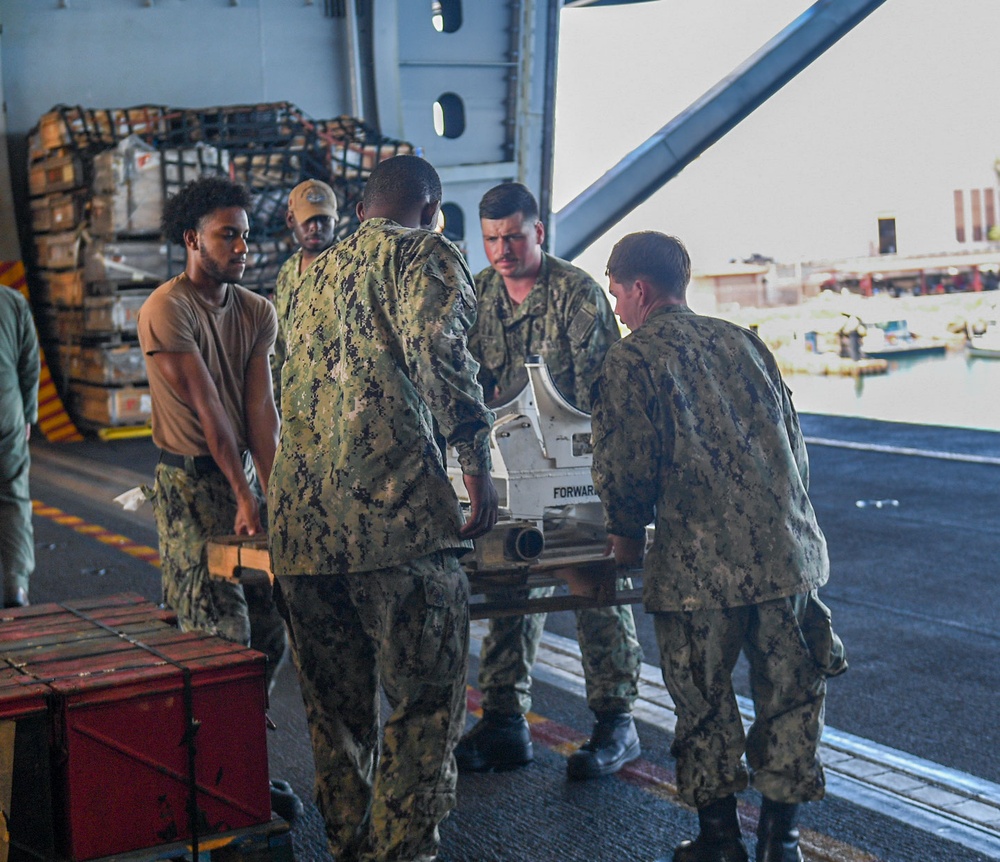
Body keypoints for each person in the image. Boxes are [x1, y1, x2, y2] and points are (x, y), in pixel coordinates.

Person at [268, 154, 499, 862]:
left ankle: (349, 847)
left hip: (303, 535)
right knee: (424, 706)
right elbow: (438, 347)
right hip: (395, 526)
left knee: (335, 715)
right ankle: (404, 854)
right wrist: (474, 457)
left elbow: (278, 383)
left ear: (362, 207)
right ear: (429, 209)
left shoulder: (305, 275)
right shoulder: (422, 254)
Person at [589, 231, 846, 862]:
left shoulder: (632, 359)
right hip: (786, 558)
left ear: (639, 289)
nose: (618, 307)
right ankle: (781, 845)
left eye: (617, 293)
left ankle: (721, 842)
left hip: (699, 571)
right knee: (791, 701)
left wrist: (623, 535)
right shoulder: (746, 342)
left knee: (704, 705)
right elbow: (794, 447)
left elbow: (627, 467)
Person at [457, 181, 643, 780]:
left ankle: (616, 723)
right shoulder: (477, 293)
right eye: (491, 239)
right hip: (509, 472)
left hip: (576, 471)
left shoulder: (578, 295)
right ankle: (506, 721)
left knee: (594, 586)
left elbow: (602, 400)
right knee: (508, 584)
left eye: (513, 236)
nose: (502, 250)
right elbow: (463, 379)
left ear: (538, 231)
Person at [136, 175, 301, 823]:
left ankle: (239, 771)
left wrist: (272, 493)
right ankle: (217, 787)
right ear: (191, 239)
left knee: (266, 631)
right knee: (218, 644)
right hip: (192, 491)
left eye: (246, 235)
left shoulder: (258, 311)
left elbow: (261, 412)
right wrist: (242, 496)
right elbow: (209, 410)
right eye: (226, 234)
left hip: (245, 488)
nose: (241, 247)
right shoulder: (166, 309)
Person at [270, 178, 339, 402]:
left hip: (339, 403)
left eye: (323, 220)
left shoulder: (349, 266)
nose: (315, 227)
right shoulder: (287, 272)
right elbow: (280, 343)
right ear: (291, 220)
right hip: (297, 403)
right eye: (308, 220)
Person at [0, 286, 39, 608]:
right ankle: (16, 587)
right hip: (7, 408)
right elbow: (29, 361)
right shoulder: (12, 301)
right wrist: (28, 413)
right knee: (13, 496)